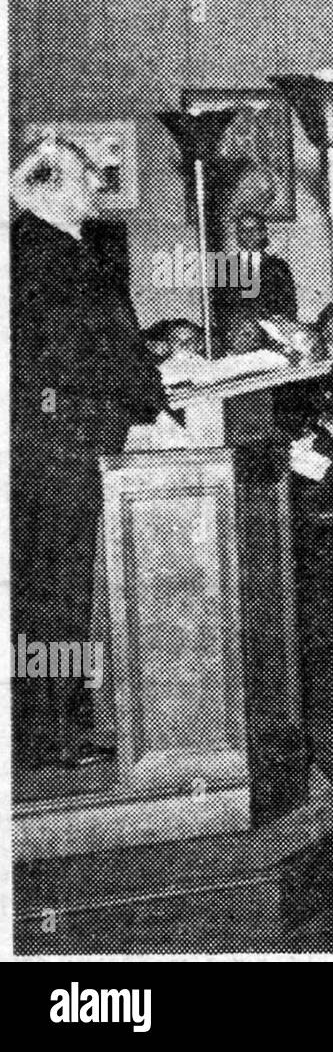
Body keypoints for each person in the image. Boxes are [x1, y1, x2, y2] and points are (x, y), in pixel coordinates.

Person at [11, 137, 166, 768]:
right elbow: (76, 352)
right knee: (57, 592)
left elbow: (102, 342)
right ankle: (51, 729)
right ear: (48, 189)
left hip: (59, 435)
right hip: (55, 441)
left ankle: (52, 720)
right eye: (80, 180)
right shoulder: (42, 252)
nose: (95, 191)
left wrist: (147, 383)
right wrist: (149, 397)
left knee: (56, 590)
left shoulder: (56, 247)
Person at [212, 210, 298, 351]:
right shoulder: (226, 267)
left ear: (263, 233)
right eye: (243, 230)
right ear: (237, 235)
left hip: (272, 340)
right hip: (237, 340)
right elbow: (219, 308)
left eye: (254, 229)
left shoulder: (278, 266)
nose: (249, 234)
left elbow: (289, 307)